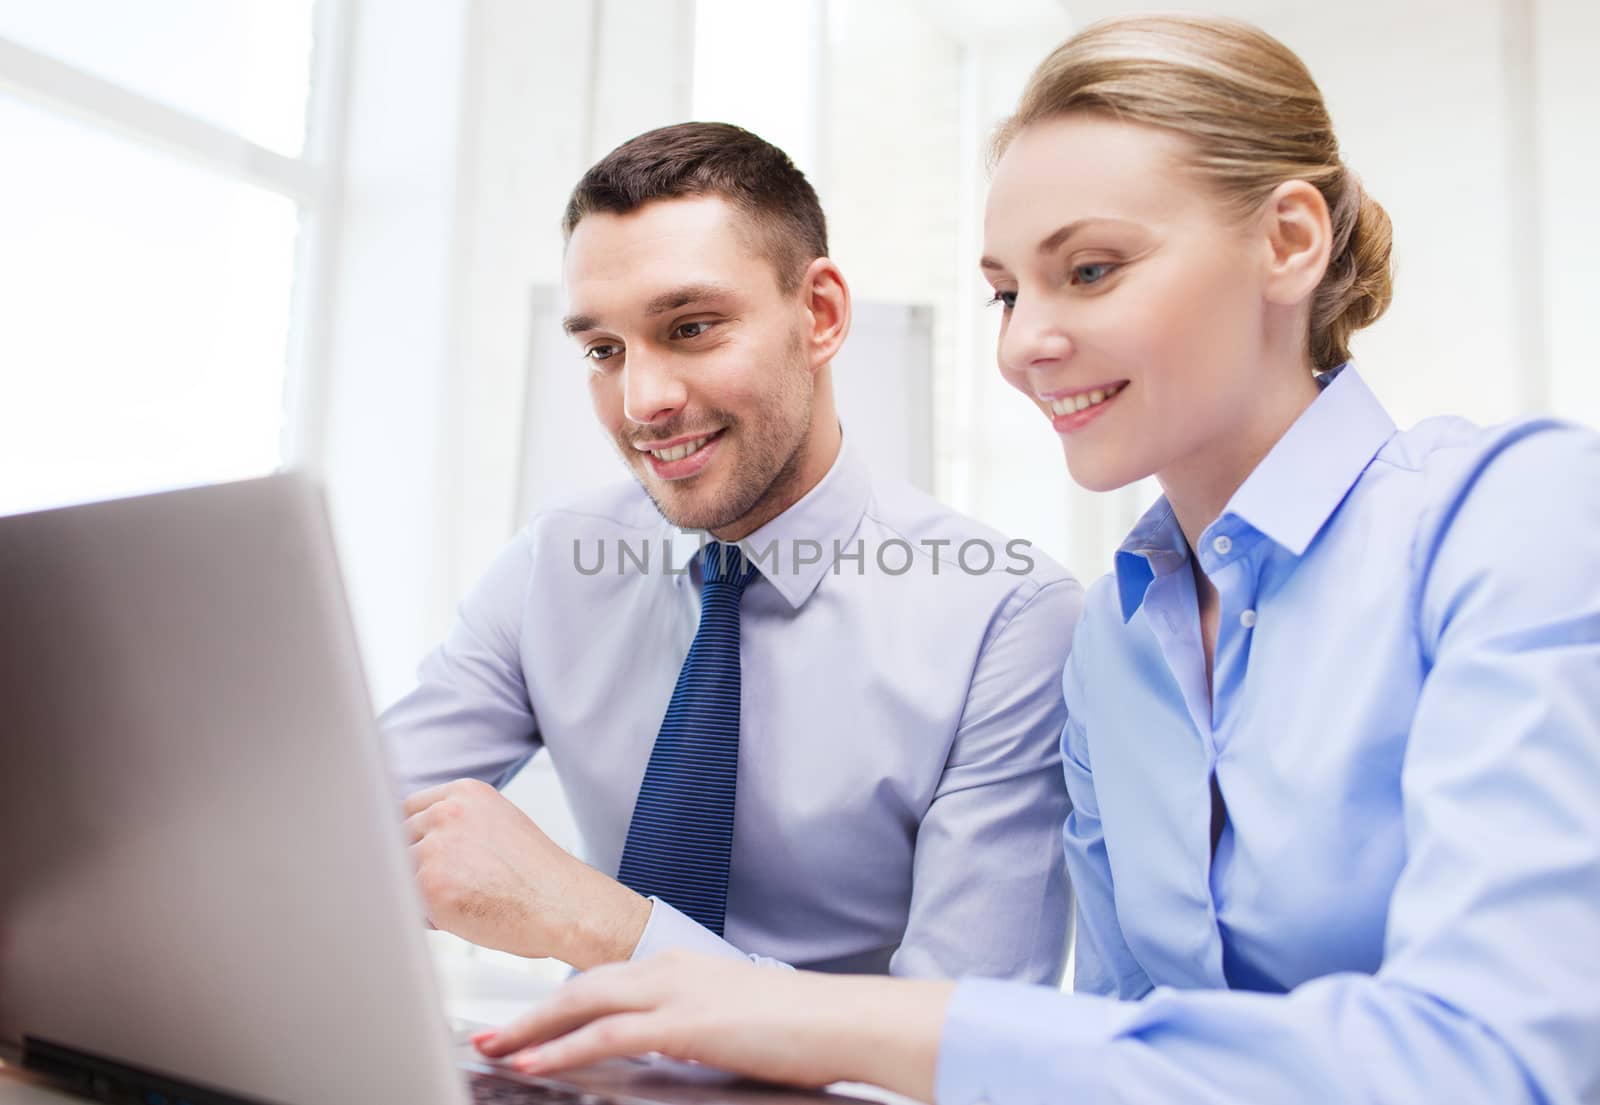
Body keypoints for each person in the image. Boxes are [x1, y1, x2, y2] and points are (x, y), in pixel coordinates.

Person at [470, 16, 1600, 1104]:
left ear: (1289, 241)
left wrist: (809, 1018)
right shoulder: (1116, 643)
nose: (1022, 343)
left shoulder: (1516, 519)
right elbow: (1108, 1056)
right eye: (1006, 290)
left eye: (1093, 270)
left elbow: (1495, 1062)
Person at [382, 122, 1084, 982]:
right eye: (604, 350)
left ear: (820, 315)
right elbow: (344, 824)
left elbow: (965, 1043)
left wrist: (604, 925)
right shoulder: (554, 565)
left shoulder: (1007, 618)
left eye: (691, 327)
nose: (642, 400)